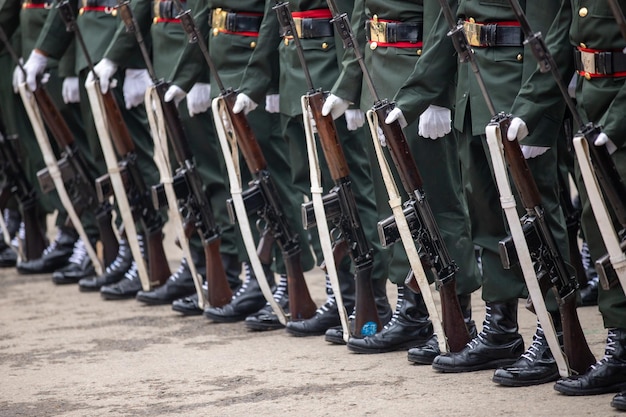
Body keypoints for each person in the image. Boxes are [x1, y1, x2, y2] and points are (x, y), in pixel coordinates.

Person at [391, 0, 571, 386]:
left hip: (516, 93)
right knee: (486, 217)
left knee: (536, 215)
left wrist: (539, 116)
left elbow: (545, 28)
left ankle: (555, 327)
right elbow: (450, 21)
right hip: (473, 89)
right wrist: (420, 96)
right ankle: (502, 326)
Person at [320, 0, 481, 361]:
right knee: (394, 207)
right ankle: (412, 310)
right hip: (378, 78)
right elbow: (361, 19)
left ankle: (459, 313)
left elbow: (442, 24)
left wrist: (436, 96)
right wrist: (351, 85)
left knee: (439, 204)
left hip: (418, 80)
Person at [234, 0, 392, 338]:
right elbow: (274, 17)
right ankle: (339, 293)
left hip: (330, 78)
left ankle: (371, 297)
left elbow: (350, 17)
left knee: (354, 193)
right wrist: (264, 81)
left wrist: (351, 87)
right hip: (295, 71)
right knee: (313, 192)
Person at [513, 0, 626, 405]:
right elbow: (559, 45)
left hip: (618, 109)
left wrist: (617, 123)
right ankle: (620, 343)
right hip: (589, 107)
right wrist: (527, 113)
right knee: (602, 234)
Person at [97, 0, 243, 307]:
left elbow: (206, 10)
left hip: (190, 57)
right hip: (166, 57)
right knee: (184, 175)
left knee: (208, 173)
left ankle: (225, 264)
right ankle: (198, 263)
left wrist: (200, 74)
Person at [22, 0, 167, 299]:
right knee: (109, 163)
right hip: (93, 49)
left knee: (133, 160)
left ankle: (146, 247)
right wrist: (44, 53)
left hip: (118, 49)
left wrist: (134, 62)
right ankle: (129, 248)